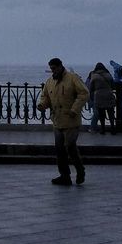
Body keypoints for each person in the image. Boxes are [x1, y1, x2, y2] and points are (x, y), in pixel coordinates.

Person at [37, 57, 89, 186]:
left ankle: (80, 170)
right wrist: (42, 105)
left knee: (70, 147)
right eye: (51, 69)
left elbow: (84, 93)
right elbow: (46, 97)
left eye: (54, 68)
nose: (52, 71)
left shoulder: (73, 78)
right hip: (57, 120)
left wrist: (74, 109)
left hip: (71, 120)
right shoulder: (50, 82)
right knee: (59, 149)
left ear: (60, 66)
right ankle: (64, 175)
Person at [86, 63, 116, 134]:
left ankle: (103, 130)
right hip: (109, 95)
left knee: (101, 114)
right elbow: (113, 86)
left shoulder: (94, 76)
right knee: (111, 113)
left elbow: (91, 88)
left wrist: (91, 97)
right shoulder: (108, 75)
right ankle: (113, 129)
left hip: (99, 96)